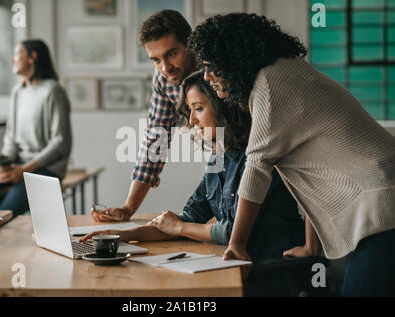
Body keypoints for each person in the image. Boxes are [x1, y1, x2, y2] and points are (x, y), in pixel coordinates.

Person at [188, 13, 395, 296]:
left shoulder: (270, 86)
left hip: (382, 203)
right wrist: (312, 247)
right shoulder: (285, 71)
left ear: (234, 59)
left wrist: (237, 244)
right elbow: (306, 172)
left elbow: (257, 168)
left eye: (212, 67)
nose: (208, 76)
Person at [82, 71, 306, 296]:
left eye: (198, 108)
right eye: (189, 111)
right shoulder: (219, 156)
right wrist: (122, 236)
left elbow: (230, 230)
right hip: (243, 269)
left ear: (223, 106)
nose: (191, 120)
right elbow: (188, 218)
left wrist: (179, 227)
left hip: (271, 277)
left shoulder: (256, 158)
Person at [92, 10, 197, 222]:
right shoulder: (163, 78)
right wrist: (128, 208)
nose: (165, 68)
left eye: (171, 54)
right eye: (156, 60)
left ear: (190, 45)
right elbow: (155, 139)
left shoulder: (217, 70)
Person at [0, 39, 72, 217]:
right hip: (18, 164)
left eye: (17, 53)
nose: (12, 60)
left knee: (4, 213)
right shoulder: (18, 92)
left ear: (32, 57)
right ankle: (5, 221)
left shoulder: (53, 91)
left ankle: (3, 220)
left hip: (45, 168)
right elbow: (11, 135)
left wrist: (25, 169)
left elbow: (61, 143)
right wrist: (2, 164)